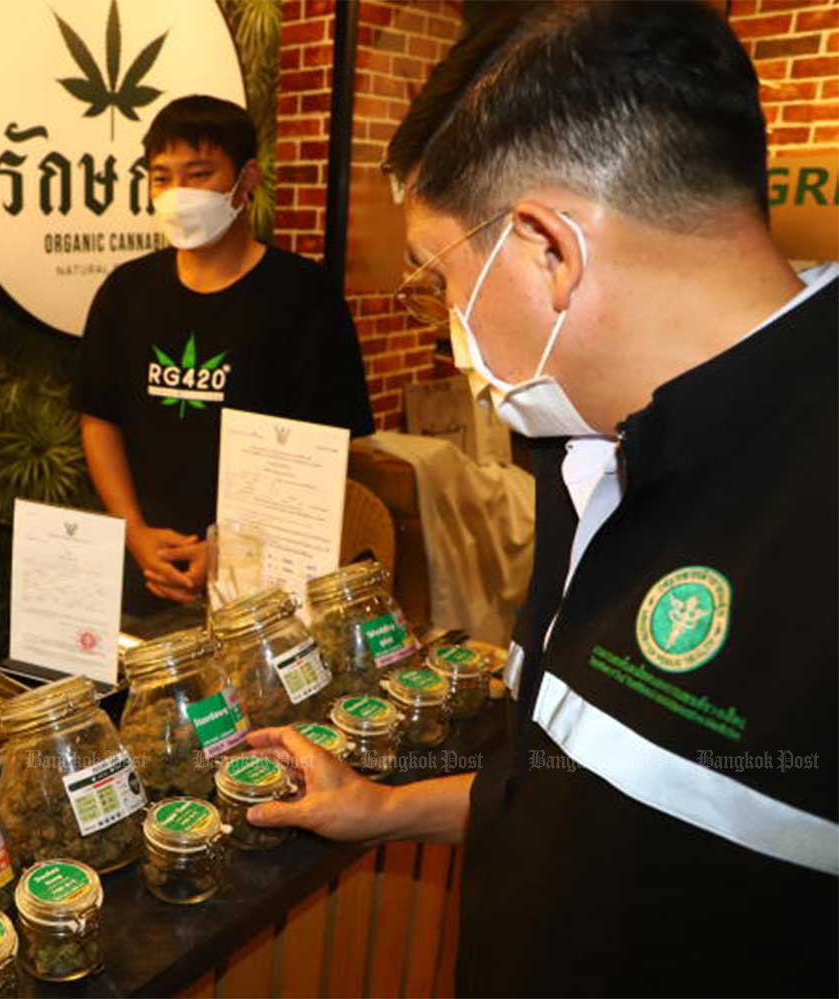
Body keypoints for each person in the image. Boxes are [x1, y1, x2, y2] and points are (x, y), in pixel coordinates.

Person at [244, 3, 837, 994]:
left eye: (440, 278)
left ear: (548, 249)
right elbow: (578, 798)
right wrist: (385, 808)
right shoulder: (588, 447)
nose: (444, 324)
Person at [75, 95, 373, 617]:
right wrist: (136, 532)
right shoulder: (126, 292)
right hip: (147, 568)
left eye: (199, 173)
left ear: (247, 179)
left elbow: (329, 448)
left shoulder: (305, 296)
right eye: (162, 177)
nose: (177, 194)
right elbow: (100, 420)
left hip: (269, 580)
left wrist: (231, 551)